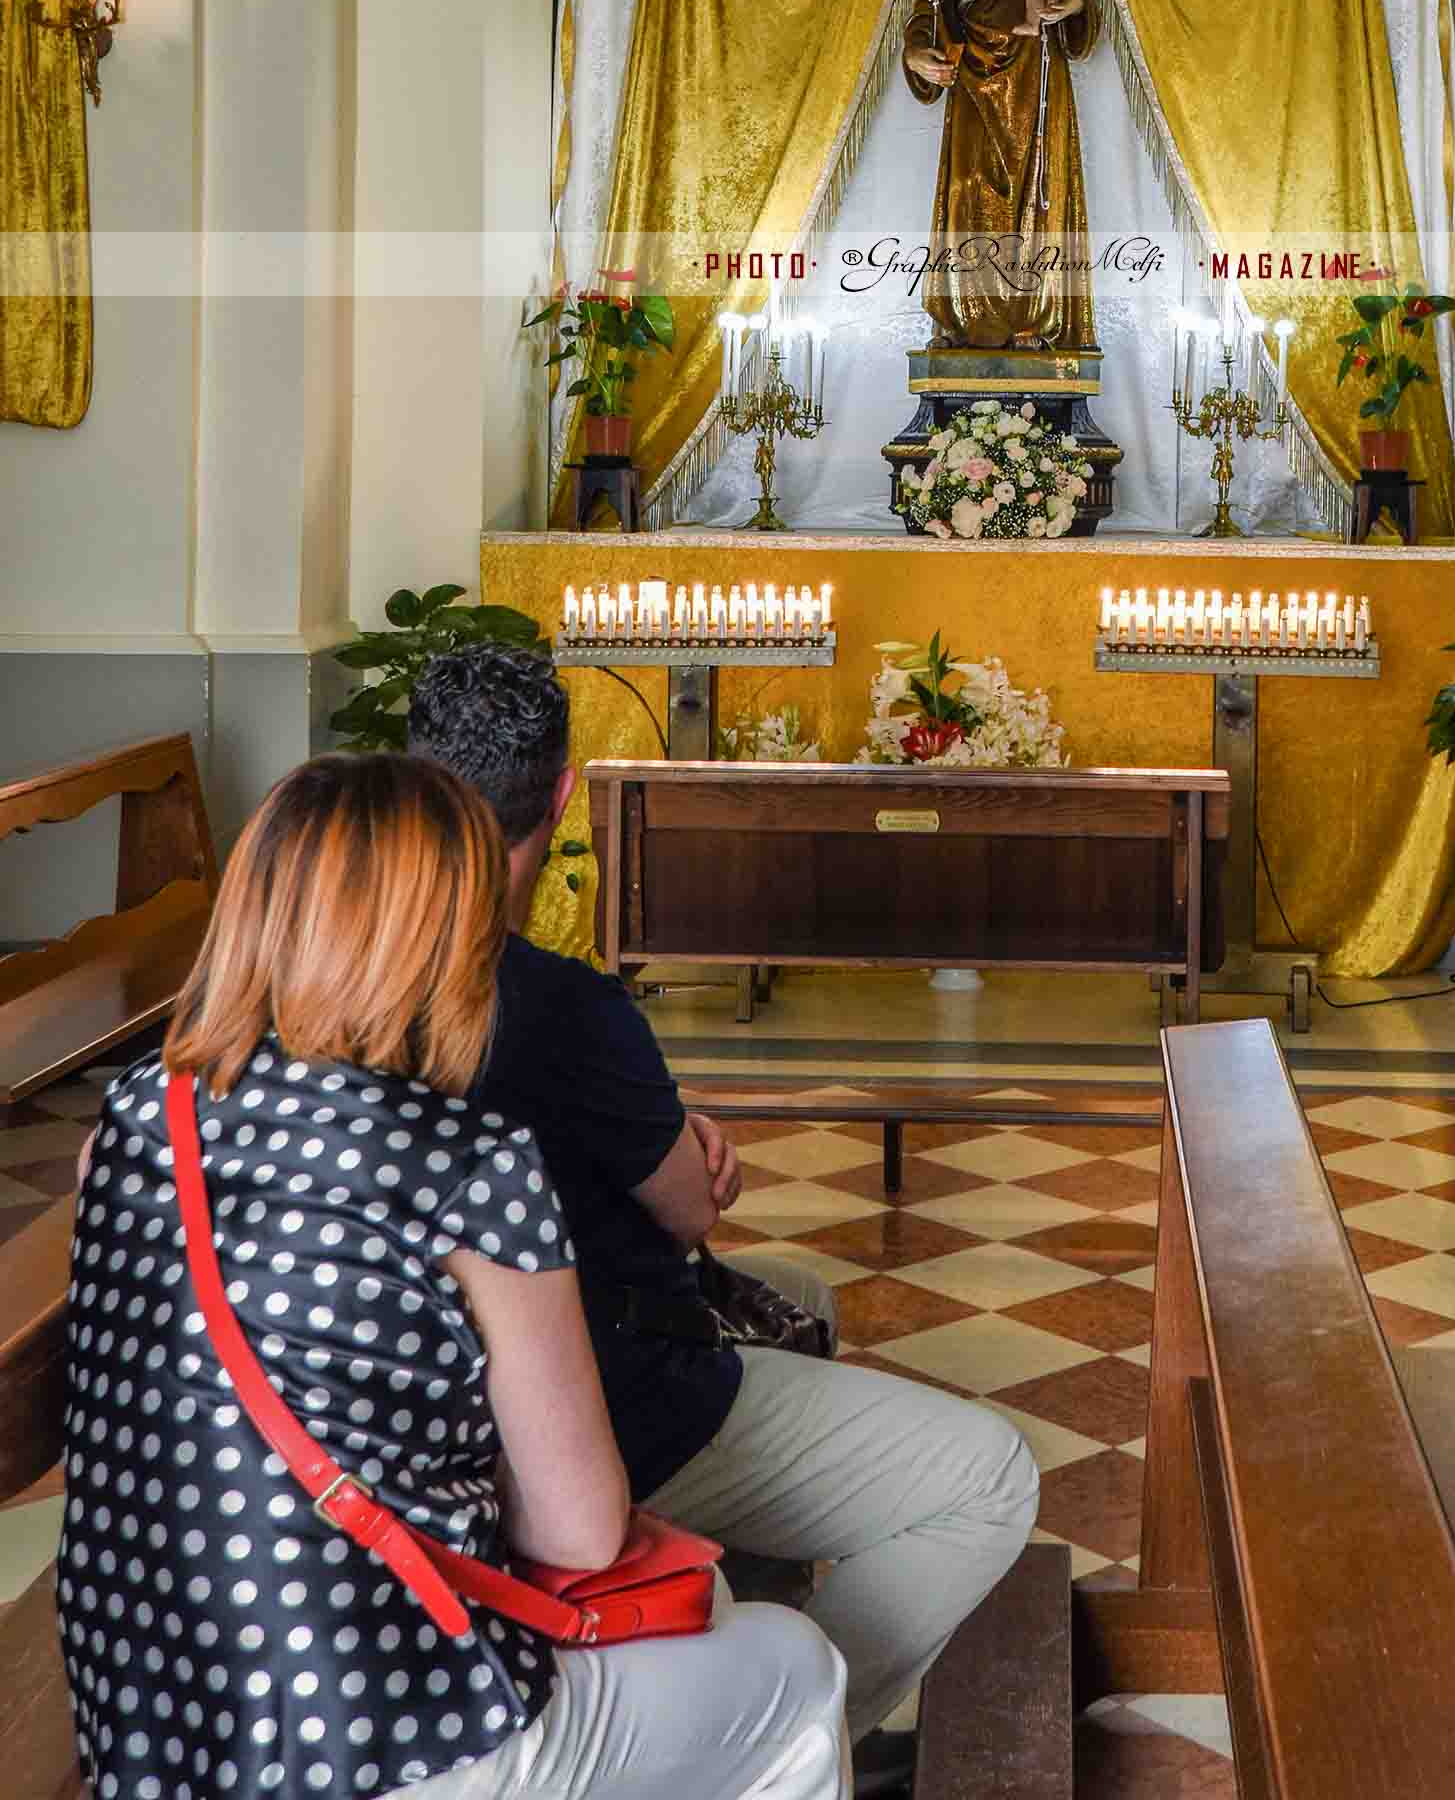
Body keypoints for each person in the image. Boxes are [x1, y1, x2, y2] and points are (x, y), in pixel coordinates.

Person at [57, 750, 847, 1800]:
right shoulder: (469, 1161)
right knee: (796, 1668)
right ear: (455, 934)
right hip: (379, 1739)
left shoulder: (129, 1120)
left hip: (151, 1720)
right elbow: (576, 1529)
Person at [408, 649, 1039, 1786]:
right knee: (989, 1475)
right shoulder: (558, 1006)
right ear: (563, 800)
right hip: (579, 1419)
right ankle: (764, 1735)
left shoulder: (325, 1010)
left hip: (409, 1426)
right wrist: (681, 1143)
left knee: (796, 1296)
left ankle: (724, 1640)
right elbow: (687, 1209)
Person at [901, 0, 1097, 351]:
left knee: (1039, 198)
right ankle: (966, 323)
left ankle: (1033, 322)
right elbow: (929, 11)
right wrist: (918, 53)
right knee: (970, 194)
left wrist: (1072, 7)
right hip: (972, 78)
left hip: (1037, 70)